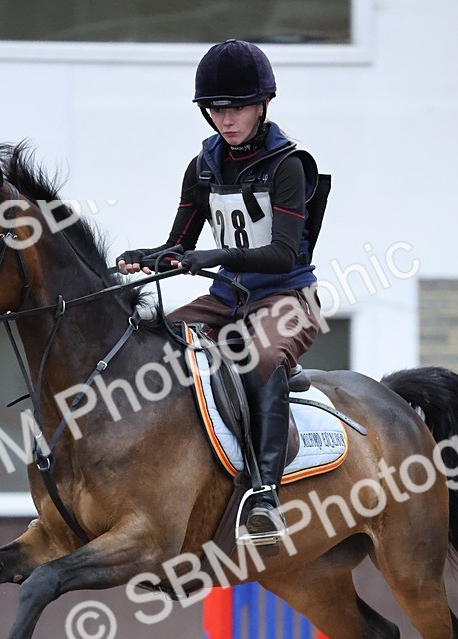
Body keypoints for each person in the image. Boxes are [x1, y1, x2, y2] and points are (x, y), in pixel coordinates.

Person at [117, 38, 328, 547]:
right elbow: (180, 244)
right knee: (151, 342)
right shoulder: (203, 166)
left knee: (258, 356)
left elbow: (282, 254)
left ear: (263, 105)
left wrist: (210, 259)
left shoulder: (288, 166)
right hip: (227, 297)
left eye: (236, 108)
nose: (225, 119)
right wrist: (147, 257)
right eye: (216, 109)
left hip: (287, 299)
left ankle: (264, 496)